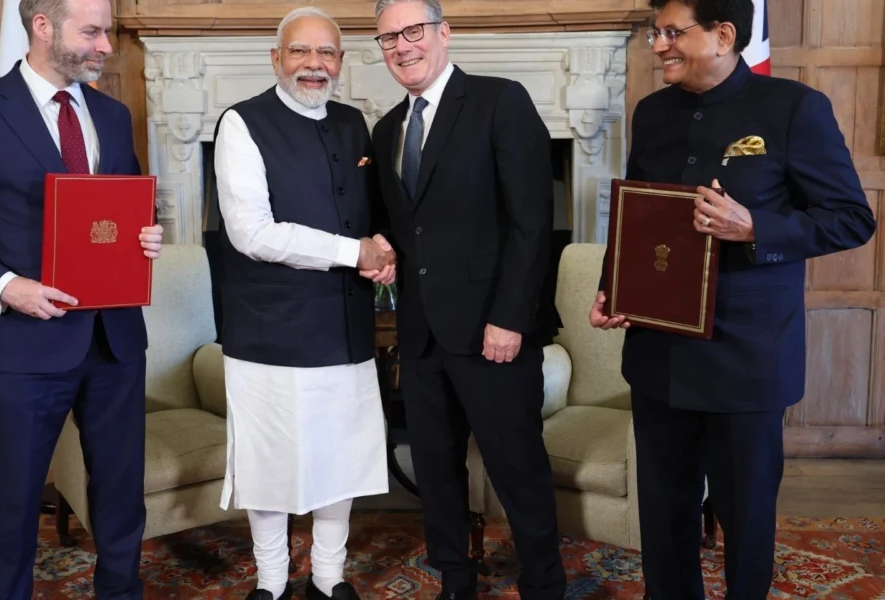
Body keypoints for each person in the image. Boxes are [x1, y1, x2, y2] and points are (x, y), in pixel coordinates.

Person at [588, 1, 877, 598]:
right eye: (655, 33)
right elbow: (642, 218)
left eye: (673, 32)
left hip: (747, 359)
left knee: (745, 521)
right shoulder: (652, 111)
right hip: (659, 355)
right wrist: (615, 288)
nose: (658, 45)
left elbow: (852, 219)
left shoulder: (795, 108)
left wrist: (756, 228)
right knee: (663, 520)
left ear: (723, 35)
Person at [0, 0, 163, 598]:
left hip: (115, 338)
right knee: (15, 503)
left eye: (109, 33)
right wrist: (6, 286)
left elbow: (117, 214)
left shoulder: (112, 113)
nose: (106, 47)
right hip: (23, 344)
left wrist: (144, 231)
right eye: (93, 32)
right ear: (43, 27)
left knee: (122, 498)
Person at [368, 1, 567, 598]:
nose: (402, 47)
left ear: (443, 33)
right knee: (435, 467)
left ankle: (545, 584)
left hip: (493, 332)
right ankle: (456, 578)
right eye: (387, 39)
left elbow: (533, 223)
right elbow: (402, 229)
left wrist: (508, 319)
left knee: (518, 470)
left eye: (413, 32)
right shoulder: (385, 132)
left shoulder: (499, 101)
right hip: (423, 334)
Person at [211, 7, 393, 600]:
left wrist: (383, 250)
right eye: (300, 52)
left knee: (340, 457)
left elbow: (368, 216)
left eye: (327, 54)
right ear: (276, 59)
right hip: (269, 328)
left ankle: (328, 577)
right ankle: (270, 582)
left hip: (344, 324)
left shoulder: (353, 123)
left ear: (341, 63)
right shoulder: (241, 123)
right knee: (270, 464)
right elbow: (253, 234)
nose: (314, 65)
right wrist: (355, 251)